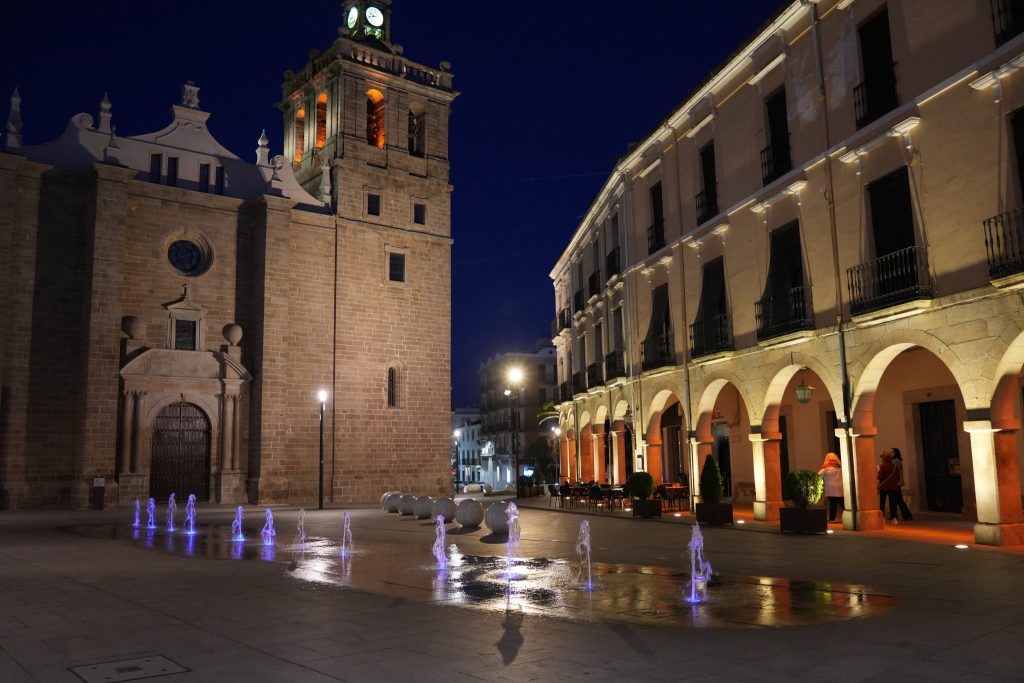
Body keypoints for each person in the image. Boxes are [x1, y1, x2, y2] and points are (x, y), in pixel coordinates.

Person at [817, 452, 844, 523]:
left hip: (831, 489)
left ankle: (832, 519)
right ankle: (850, 515)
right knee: (841, 502)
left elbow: (818, 476)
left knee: (833, 504)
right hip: (840, 489)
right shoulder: (840, 469)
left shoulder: (826, 469)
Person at [877, 450, 901, 523]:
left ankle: (882, 518)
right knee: (893, 503)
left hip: (884, 486)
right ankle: (894, 518)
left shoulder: (882, 466)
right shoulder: (894, 466)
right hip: (893, 486)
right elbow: (898, 477)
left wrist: (878, 472)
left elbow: (880, 477)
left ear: (884, 459)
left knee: (882, 503)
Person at [890, 447, 913, 521]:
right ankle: (896, 515)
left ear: (895, 453)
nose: (891, 454)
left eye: (892, 452)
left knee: (899, 500)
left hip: (897, 483)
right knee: (897, 500)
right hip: (896, 483)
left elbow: (894, 471)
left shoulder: (896, 461)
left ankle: (906, 515)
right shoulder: (894, 461)